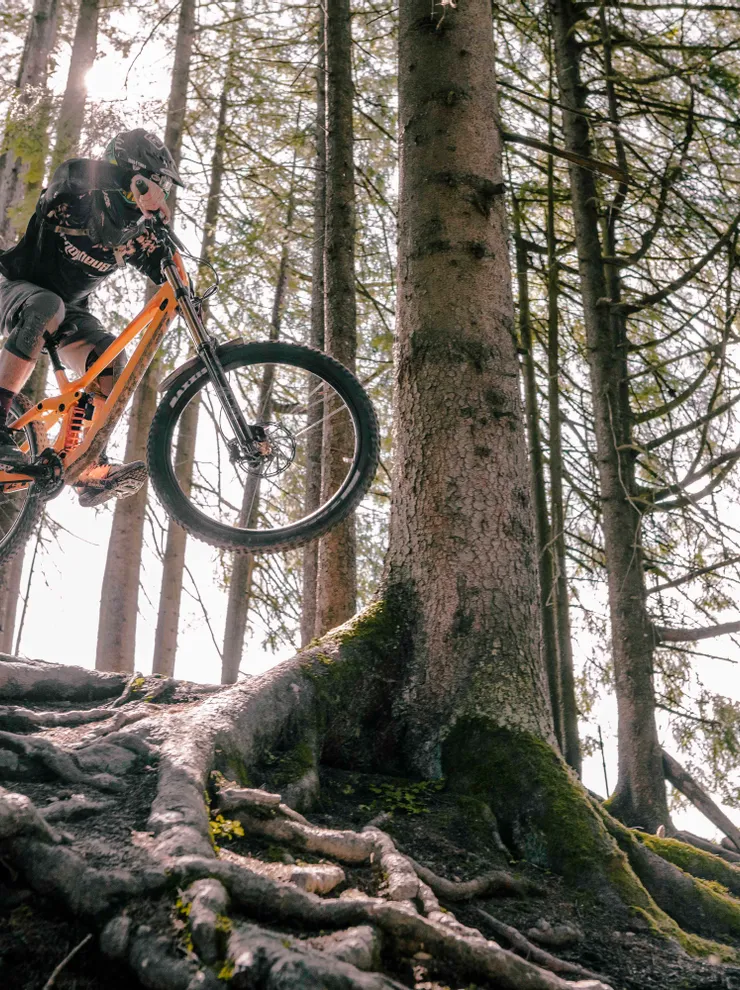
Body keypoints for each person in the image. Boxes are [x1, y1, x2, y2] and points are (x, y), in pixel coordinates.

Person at [0, 128, 183, 506]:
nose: (160, 191)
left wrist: (184, 287)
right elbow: (72, 173)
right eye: (155, 181)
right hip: (14, 286)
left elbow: (168, 276)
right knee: (47, 304)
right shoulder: (77, 191)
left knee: (109, 361)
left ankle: (87, 466)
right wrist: (128, 182)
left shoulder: (135, 232)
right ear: (130, 172)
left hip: (67, 312)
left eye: (164, 186)